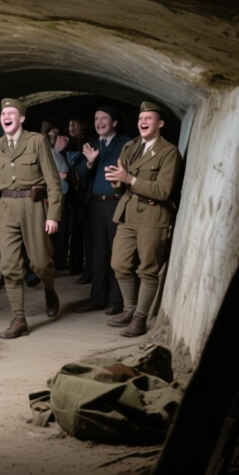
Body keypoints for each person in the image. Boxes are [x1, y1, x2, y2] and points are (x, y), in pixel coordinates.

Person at [0, 98, 63, 339]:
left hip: (33, 206)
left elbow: (53, 181)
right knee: (9, 266)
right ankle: (19, 319)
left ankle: (49, 289)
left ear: (21, 118)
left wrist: (53, 216)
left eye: (11, 113)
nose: (6, 117)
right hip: (6, 208)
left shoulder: (36, 141)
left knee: (41, 263)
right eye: (3, 114)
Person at [104, 101, 182, 336]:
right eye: (141, 119)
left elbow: (163, 191)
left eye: (149, 118)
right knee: (119, 263)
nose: (143, 122)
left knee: (148, 269)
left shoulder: (169, 152)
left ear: (160, 123)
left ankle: (140, 317)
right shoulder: (131, 146)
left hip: (152, 215)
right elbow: (123, 182)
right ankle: (129, 307)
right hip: (127, 213)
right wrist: (118, 182)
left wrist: (129, 179)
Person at [72, 106, 130, 315]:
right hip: (96, 205)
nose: (99, 122)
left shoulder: (126, 143)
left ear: (114, 122)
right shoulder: (92, 144)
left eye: (104, 118)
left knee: (118, 253)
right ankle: (97, 299)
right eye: (96, 118)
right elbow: (79, 174)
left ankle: (115, 301)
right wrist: (89, 162)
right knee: (98, 253)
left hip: (116, 202)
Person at [42, 118, 71, 270]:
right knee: (55, 230)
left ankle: (57, 262)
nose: (57, 134)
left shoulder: (55, 150)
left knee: (58, 230)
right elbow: (63, 174)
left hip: (57, 195)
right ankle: (55, 262)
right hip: (53, 196)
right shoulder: (50, 151)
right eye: (53, 131)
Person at [65, 116, 92, 279]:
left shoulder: (87, 144)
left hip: (85, 193)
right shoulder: (66, 143)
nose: (72, 127)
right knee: (74, 230)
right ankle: (75, 264)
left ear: (82, 126)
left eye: (75, 124)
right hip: (73, 194)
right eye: (70, 125)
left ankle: (84, 265)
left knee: (83, 230)